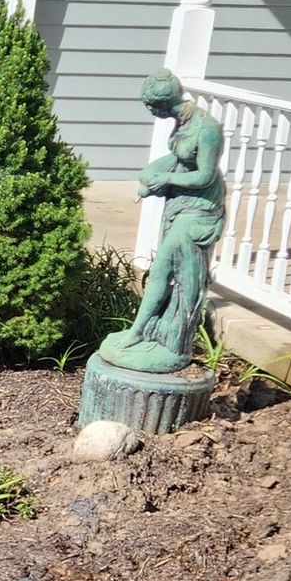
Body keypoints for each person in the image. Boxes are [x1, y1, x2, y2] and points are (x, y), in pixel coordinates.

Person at [102, 70, 226, 373]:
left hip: (201, 208)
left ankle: (159, 339)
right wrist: (152, 177)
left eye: (149, 106)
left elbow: (205, 175)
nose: (150, 112)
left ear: (159, 105)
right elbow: (181, 160)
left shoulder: (207, 128)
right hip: (180, 202)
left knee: (163, 270)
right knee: (164, 269)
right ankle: (142, 330)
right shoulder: (181, 122)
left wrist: (166, 179)